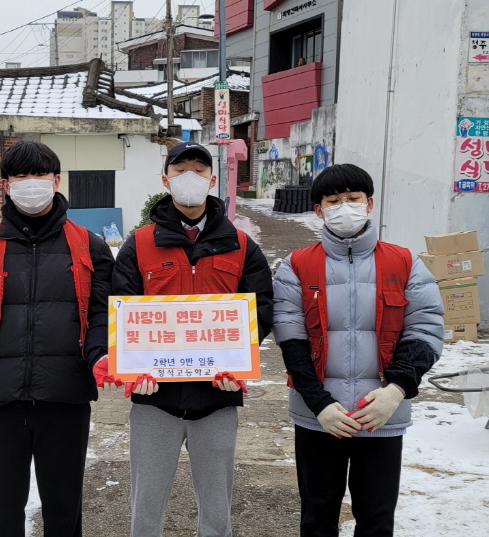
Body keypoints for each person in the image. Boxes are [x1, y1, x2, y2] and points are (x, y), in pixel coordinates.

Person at [0, 141, 114, 537]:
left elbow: (102, 313)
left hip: (65, 394)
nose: (30, 184)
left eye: (39, 175)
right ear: (5, 184)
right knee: (2, 510)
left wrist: (100, 354)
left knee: (63, 508)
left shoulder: (89, 246)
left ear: (56, 180)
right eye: (20, 176)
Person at [108, 141, 274, 537]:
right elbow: (122, 308)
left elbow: (260, 309)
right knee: (145, 509)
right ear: (166, 180)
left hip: (218, 396)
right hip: (155, 398)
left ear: (212, 179)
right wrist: (133, 367)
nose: (190, 177)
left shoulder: (241, 244)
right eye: (180, 169)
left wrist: (239, 360)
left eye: (199, 169)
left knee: (217, 511)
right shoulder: (140, 243)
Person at [272, 164, 445, 537]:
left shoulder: (403, 261)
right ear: (318, 210)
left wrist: (395, 392)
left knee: (377, 519)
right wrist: (319, 403)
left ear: (369, 204)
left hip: (381, 415)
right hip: (318, 417)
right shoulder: (298, 265)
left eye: (353, 199)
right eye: (334, 201)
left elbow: (426, 329)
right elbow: (290, 338)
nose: (344, 207)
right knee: (317, 517)